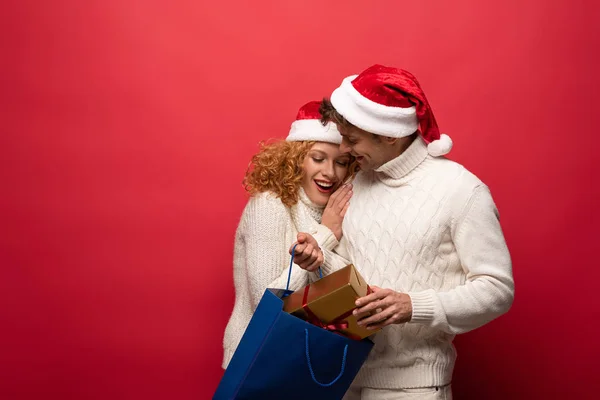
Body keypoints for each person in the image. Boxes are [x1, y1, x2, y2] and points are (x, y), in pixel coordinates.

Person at [290, 65, 514, 400]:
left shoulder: (460, 190)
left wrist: (413, 306)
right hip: (343, 377)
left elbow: (497, 290)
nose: (345, 150)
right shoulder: (356, 184)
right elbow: (352, 277)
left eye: (352, 140)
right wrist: (320, 256)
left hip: (414, 388)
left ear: (390, 134)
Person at [221, 101, 357, 369]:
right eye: (318, 158)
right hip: (260, 358)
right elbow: (267, 303)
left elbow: (350, 293)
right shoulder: (270, 204)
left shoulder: (342, 209)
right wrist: (326, 235)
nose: (329, 172)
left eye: (340, 162)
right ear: (296, 159)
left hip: (313, 359)